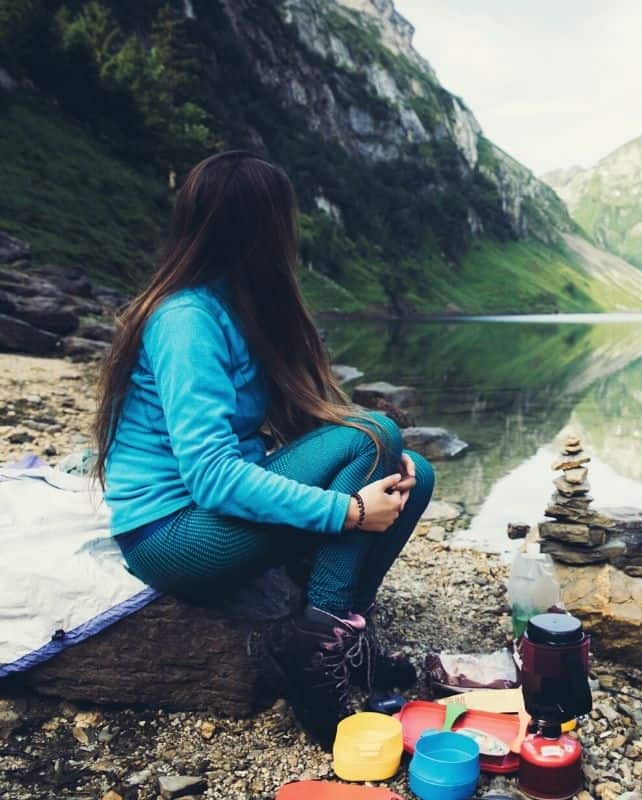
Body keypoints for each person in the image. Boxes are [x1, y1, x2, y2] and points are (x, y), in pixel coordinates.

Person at [92, 150, 434, 746]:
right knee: (375, 436)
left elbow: (305, 422)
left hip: (214, 520)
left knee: (417, 472)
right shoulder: (185, 320)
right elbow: (211, 477)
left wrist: (380, 464)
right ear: (259, 227)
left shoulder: (242, 306)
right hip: (171, 536)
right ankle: (313, 652)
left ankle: (345, 636)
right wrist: (348, 511)